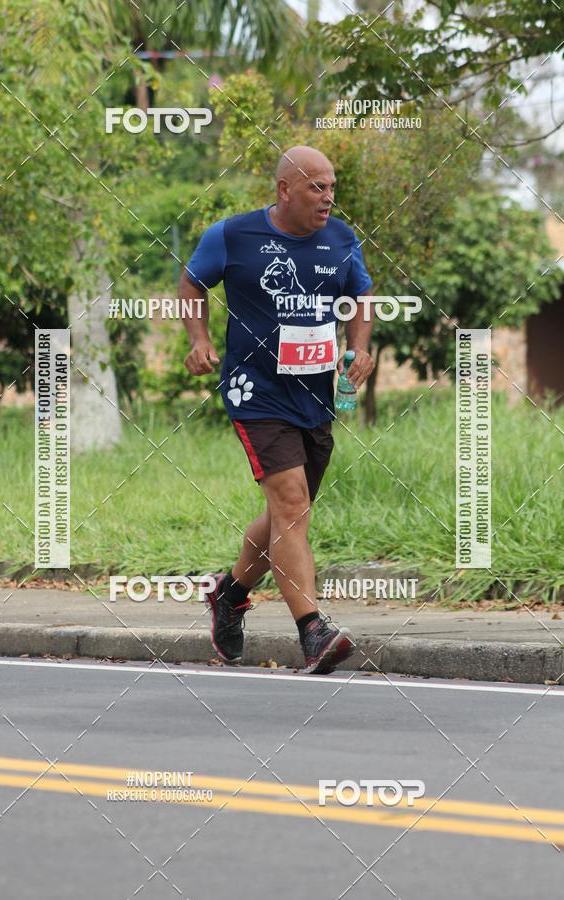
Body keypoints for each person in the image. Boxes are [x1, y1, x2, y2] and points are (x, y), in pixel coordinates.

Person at [179, 145, 375, 674]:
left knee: (288, 512)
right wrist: (198, 340)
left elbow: (359, 298)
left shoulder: (341, 239)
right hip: (255, 392)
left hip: (313, 396)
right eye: (317, 186)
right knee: (292, 505)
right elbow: (192, 282)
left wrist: (359, 347)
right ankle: (312, 631)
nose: (329, 197)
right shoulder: (233, 235)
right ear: (285, 189)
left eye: (332, 187)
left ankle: (230, 594)